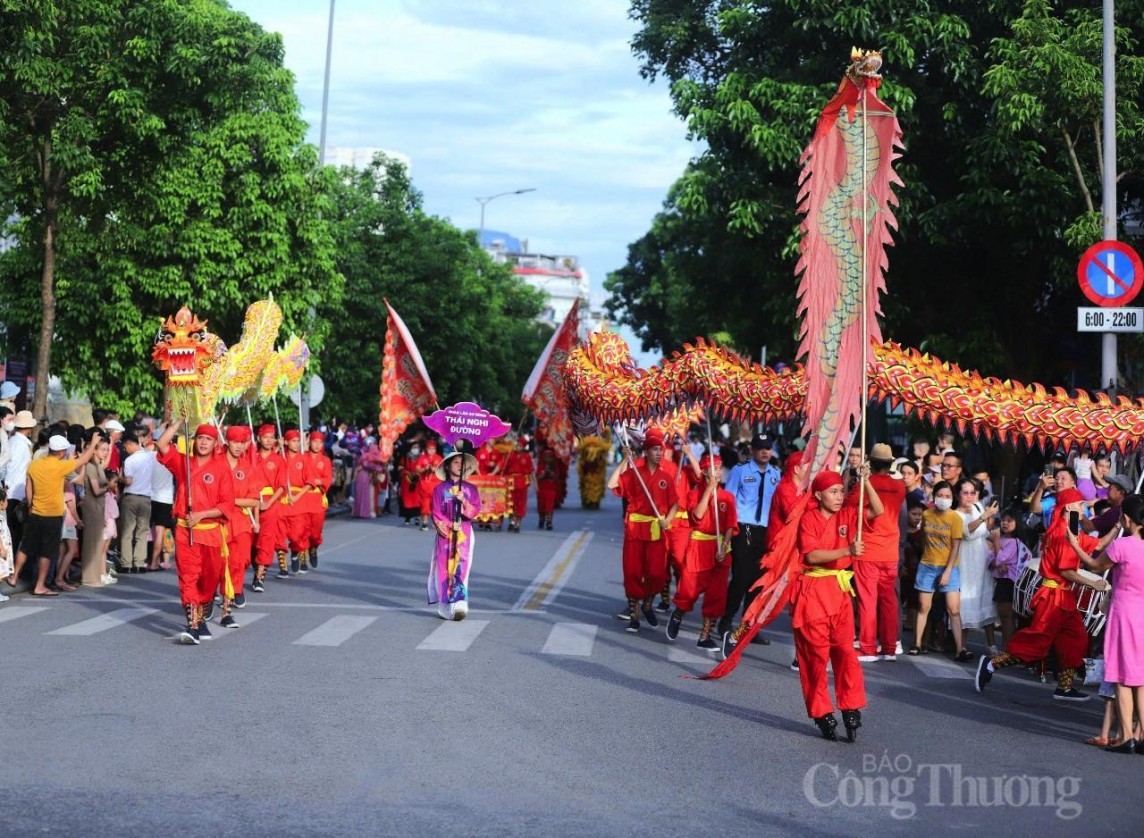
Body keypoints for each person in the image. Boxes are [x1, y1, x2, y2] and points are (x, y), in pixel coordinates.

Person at [975, 487, 1110, 700]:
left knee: (1075, 639)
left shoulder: (1071, 530)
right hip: (1052, 597)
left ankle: (1064, 687)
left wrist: (1118, 525)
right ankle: (991, 664)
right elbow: (1066, 571)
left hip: (1065, 597)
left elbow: (1100, 544)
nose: (1083, 507)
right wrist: (1093, 584)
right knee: (1037, 643)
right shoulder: (1061, 534)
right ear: (1069, 507)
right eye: (1080, 504)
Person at [795, 467, 883, 741]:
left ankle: (850, 706)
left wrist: (866, 482)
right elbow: (811, 556)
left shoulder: (847, 514)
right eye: (832, 492)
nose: (838, 496)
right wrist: (847, 550)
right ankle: (821, 712)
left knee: (846, 653)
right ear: (818, 495)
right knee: (816, 658)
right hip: (813, 594)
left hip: (840, 592)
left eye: (841, 491)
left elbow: (877, 510)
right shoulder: (808, 519)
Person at [1065, 493, 1144, 751]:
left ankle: (1127, 737)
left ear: (1127, 519)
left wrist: (1074, 543)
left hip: (1125, 615)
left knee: (1122, 678)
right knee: (1141, 679)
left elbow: (1094, 565)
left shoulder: (1123, 546)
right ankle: (1140, 734)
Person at [156, 423, 235, 645]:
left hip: (210, 533)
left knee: (209, 579)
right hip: (185, 530)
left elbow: (227, 505)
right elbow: (161, 444)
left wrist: (202, 515)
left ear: (215, 443)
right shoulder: (184, 463)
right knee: (188, 576)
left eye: (208, 439)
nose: (203, 442)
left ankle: (201, 616)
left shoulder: (221, 469)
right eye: (200, 438)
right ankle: (192, 625)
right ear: (194, 440)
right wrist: (177, 423)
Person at [607, 428, 681, 632]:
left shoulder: (666, 477)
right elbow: (612, 484)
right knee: (632, 572)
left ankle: (648, 603)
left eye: (660, 450)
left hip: (655, 530)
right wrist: (624, 461)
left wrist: (668, 520)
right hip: (635, 530)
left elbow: (675, 504)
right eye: (654, 450)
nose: (659, 453)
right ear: (646, 452)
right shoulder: (634, 474)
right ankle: (634, 616)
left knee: (656, 574)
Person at [8, 433, 100, 595]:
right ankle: (40, 586)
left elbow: (29, 489)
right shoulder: (60, 466)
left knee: (26, 547)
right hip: (52, 515)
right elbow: (84, 460)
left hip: (35, 512)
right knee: (47, 552)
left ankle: (14, 577)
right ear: (62, 452)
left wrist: (31, 506)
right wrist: (93, 443)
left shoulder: (34, 464)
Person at [665, 453, 737, 651]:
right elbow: (697, 515)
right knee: (689, 590)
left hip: (720, 549)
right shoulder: (694, 494)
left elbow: (730, 525)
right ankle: (678, 614)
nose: (718, 472)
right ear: (704, 471)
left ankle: (705, 635)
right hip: (699, 547)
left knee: (717, 593)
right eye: (714, 468)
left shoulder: (728, 497)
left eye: (720, 468)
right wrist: (709, 492)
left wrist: (724, 546)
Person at [718, 433, 780, 638]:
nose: (764, 452)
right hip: (744, 528)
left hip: (765, 531)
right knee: (741, 578)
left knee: (757, 581)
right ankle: (726, 620)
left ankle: (746, 627)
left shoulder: (775, 474)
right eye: (760, 448)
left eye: (768, 448)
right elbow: (729, 501)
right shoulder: (740, 471)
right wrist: (727, 533)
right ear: (752, 450)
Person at [851, 443, 907, 662]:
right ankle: (890, 647)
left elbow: (849, 507)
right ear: (890, 463)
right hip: (890, 551)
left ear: (870, 462)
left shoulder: (864, 485)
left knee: (868, 600)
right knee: (889, 601)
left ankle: (868, 647)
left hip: (869, 549)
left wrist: (858, 481)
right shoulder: (900, 486)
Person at [910, 481, 969, 659]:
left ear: (953, 498)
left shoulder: (955, 518)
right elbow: (922, 537)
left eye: (947, 496)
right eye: (940, 495)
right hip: (927, 566)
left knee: (953, 609)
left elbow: (956, 546)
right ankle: (917, 644)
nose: (943, 499)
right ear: (934, 496)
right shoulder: (927, 515)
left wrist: (947, 571)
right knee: (923, 607)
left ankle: (960, 649)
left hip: (949, 567)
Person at [428, 440, 481, 621]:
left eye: (461, 462)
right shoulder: (439, 489)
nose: (459, 465)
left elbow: (475, 510)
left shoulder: (471, 489)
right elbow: (436, 513)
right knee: (444, 568)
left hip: (464, 534)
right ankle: (444, 606)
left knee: (462, 566)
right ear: (448, 466)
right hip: (445, 535)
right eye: (455, 462)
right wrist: (450, 525)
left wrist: (464, 501)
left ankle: (460, 603)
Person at [953, 477, 1000, 654]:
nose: (969, 496)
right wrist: (984, 517)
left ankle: (991, 644)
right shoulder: (955, 514)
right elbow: (966, 531)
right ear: (957, 494)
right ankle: (961, 646)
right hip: (965, 561)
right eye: (965, 493)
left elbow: (985, 533)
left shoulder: (979, 507)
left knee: (986, 599)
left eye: (972, 493)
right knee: (965, 602)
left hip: (982, 560)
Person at [221, 425, 259, 625]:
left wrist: (232, 500)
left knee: (240, 560)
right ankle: (216, 596)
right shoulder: (216, 464)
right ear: (227, 441)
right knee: (219, 562)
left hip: (241, 521)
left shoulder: (247, 468)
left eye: (242, 443)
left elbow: (253, 499)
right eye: (235, 442)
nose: (238, 446)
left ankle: (235, 590)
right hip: (218, 520)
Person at [658, 437, 699, 611]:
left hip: (681, 525)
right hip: (661, 522)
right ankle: (664, 598)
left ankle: (681, 596)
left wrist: (688, 454)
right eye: (659, 449)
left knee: (679, 561)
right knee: (660, 563)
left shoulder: (684, 470)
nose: (662, 453)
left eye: (664, 449)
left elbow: (700, 475)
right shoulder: (657, 470)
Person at [987, 509, 1031, 652]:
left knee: (1007, 617)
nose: (1005, 523)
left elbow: (999, 558)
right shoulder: (1001, 539)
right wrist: (997, 563)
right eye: (1003, 520)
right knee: (1004, 616)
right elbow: (991, 559)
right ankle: (1007, 648)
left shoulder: (1014, 542)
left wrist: (995, 543)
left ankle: (1008, 649)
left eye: (1009, 521)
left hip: (1009, 583)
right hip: (1002, 582)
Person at [252, 424, 286, 590]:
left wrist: (268, 503)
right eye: (266, 437)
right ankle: (255, 566)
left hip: (270, 504)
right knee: (250, 542)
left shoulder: (278, 460)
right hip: (251, 503)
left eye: (272, 437)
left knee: (266, 541)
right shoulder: (251, 457)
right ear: (259, 438)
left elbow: (281, 486)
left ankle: (260, 576)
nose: (269, 440)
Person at [118, 430, 154, 573]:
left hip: (131, 498)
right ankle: (139, 563)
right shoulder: (150, 457)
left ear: (130, 444)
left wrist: (120, 478)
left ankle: (126, 564)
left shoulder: (129, 460)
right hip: (146, 499)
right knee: (142, 532)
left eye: (125, 446)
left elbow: (128, 481)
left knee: (127, 532)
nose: (125, 449)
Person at [303, 430, 333, 566]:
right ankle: (301, 555)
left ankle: (313, 548)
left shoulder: (325, 460)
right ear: (310, 442)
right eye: (314, 442)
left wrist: (316, 481)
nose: (317, 445)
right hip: (302, 497)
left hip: (317, 498)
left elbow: (327, 479)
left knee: (316, 532)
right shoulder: (302, 457)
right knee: (301, 530)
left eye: (320, 443)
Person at [504, 436, 534, 533]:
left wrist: (534, 483)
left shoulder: (527, 457)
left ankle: (518, 523)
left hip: (521, 481)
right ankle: (512, 521)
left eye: (520, 445)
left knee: (521, 503)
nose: (518, 447)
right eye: (517, 445)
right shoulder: (510, 455)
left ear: (523, 447)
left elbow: (530, 471)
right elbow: (505, 467)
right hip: (511, 481)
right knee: (510, 501)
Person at [352, 440, 384, 519]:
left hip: (363, 475)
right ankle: (363, 512)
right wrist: (377, 467)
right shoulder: (366, 456)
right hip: (365, 475)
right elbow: (367, 465)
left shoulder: (364, 455)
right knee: (364, 494)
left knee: (361, 493)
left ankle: (359, 512)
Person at [417, 440, 443, 531]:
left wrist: (435, 469)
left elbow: (442, 470)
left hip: (436, 485)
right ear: (426, 449)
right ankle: (425, 523)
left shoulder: (439, 458)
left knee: (436, 504)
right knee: (424, 504)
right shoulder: (422, 457)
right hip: (424, 484)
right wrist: (425, 469)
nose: (431, 451)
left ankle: (436, 522)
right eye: (429, 449)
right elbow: (417, 469)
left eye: (433, 449)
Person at [535, 443, 562, 531]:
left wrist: (551, 474)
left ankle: (549, 522)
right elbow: (537, 477)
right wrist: (543, 474)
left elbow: (557, 478)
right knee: (541, 506)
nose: (548, 459)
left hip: (551, 489)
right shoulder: (540, 466)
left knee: (549, 506)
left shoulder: (555, 467)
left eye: (550, 457)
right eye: (546, 457)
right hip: (541, 489)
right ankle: (541, 519)